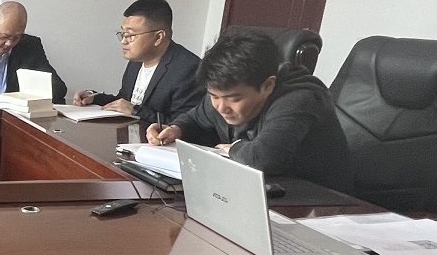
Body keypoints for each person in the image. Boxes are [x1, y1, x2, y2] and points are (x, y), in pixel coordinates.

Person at [147, 30, 352, 191]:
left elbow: (265, 159)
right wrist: (175, 129)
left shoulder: (299, 98)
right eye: (214, 96)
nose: (221, 107)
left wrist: (233, 148)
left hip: (320, 202)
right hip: (264, 190)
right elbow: (196, 118)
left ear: (268, 86)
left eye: (233, 99)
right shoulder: (225, 90)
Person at [70, 0, 201, 123]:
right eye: (122, 34)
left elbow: (182, 125)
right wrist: (94, 97)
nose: (123, 41)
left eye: (130, 35)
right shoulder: (137, 61)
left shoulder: (189, 69)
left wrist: (135, 111)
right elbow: (124, 102)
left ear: (158, 37)